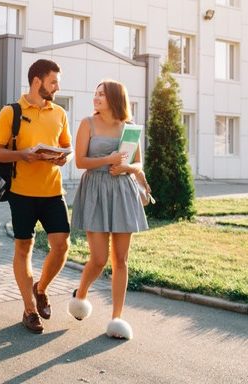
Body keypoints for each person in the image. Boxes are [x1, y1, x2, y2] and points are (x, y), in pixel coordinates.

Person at [0, 59, 73, 333]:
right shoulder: (10, 112)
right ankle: (29, 310)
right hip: (21, 193)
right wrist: (22, 155)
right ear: (37, 81)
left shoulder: (59, 113)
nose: (57, 87)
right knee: (23, 248)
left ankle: (41, 288)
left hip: (52, 191)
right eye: (53, 82)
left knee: (61, 246)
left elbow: (65, 145)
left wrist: (62, 158)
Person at [68, 80, 149, 340]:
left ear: (114, 98)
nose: (96, 98)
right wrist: (109, 160)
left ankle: (117, 317)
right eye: (95, 93)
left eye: (101, 94)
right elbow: (80, 161)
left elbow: (138, 162)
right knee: (100, 258)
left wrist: (125, 168)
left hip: (123, 192)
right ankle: (80, 295)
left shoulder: (129, 128)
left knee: (121, 259)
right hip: (95, 191)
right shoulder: (87, 124)